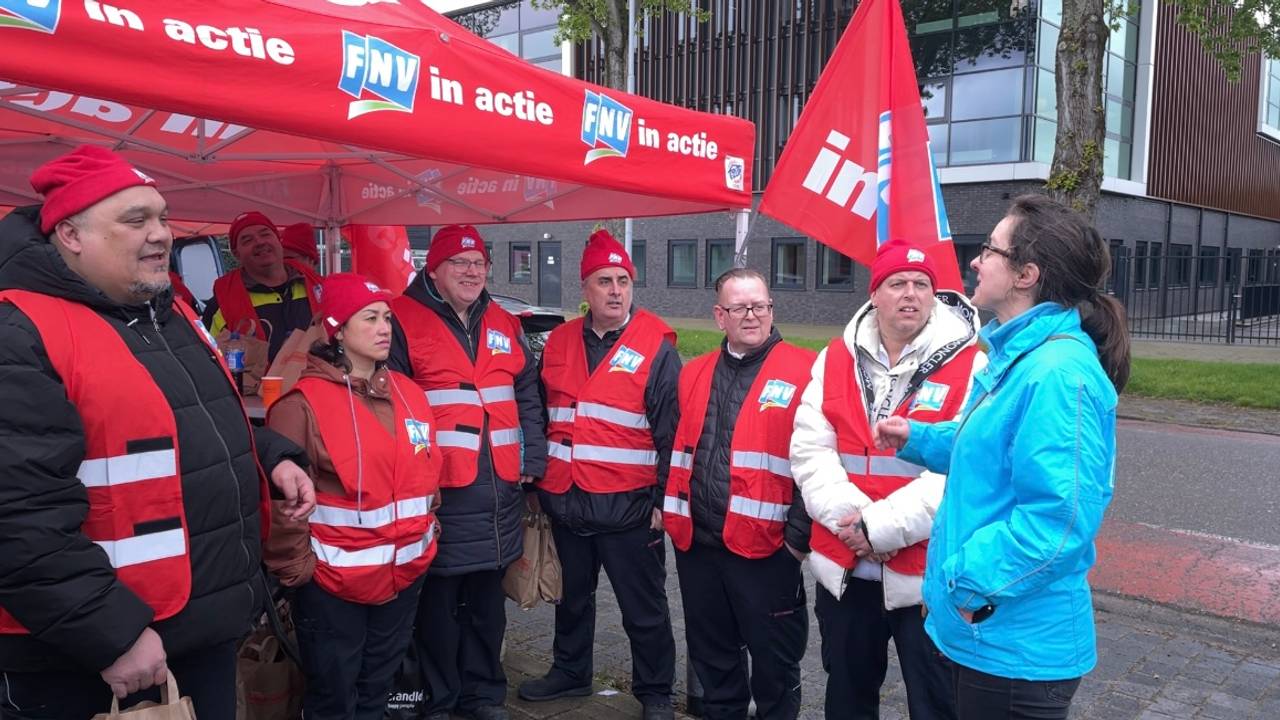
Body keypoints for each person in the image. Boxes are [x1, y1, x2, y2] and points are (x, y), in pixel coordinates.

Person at [0, 145, 315, 719]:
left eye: (164, 217)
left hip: (195, 631)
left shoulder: (169, 314)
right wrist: (111, 632)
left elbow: (187, 425)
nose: (162, 234)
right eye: (135, 219)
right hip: (98, 655)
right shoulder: (18, 329)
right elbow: (16, 515)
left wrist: (268, 455)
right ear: (70, 234)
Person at [874, 195, 1128, 720]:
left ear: (1025, 275)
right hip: (990, 632)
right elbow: (990, 449)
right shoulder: (1019, 357)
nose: (975, 259)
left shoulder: (1057, 374)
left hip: (1016, 650)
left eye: (990, 249)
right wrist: (918, 438)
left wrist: (961, 580)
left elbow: (1056, 525)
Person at [790, 240, 982, 720]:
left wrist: (878, 529)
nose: (911, 294)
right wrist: (853, 527)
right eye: (897, 283)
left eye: (922, 285)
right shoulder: (833, 358)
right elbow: (810, 451)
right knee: (848, 697)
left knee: (937, 702)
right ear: (875, 294)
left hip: (926, 575)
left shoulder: (972, 366)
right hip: (846, 567)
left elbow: (962, 469)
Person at [519, 229, 680, 720]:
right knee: (572, 599)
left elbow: (672, 431)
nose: (616, 290)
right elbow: (545, 415)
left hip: (629, 506)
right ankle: (571, 672)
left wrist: (663, 503)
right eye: (604, 281)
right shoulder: (561, 340)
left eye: (624, 281)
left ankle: (655, 692)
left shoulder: (657, 344)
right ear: (584, 288)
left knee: (643, 608)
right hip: (567, 499)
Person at [265, 272, 441, 720]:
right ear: (337, 330)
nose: (385, 327)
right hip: (332, 588)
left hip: (403, 578)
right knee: (333, 699)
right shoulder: (300, 405)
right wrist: (296, 571)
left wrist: (427, 533)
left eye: (387, 317)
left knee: (377, 692)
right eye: (370, 318)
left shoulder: (412, 395)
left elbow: (427, 478)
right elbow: (282, 505)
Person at [388, 225, 546, 720]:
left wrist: (533, 458)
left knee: (485, 602)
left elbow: (527, 395)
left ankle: (484, 693)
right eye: (459, 263)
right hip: (440, 488)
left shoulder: (503, 320)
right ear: (432, 269)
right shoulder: (399, 319)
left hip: (499, 486)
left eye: (479, 262)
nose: (472, 271)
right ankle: (442, 697)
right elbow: (392, 403)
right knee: (437, 601)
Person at [662, 268, 813, 720]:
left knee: (775, 665)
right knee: (714, 662)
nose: (752, 315)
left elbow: (819, 463)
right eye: (739, 307)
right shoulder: (692, 373)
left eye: (760, 305)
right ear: (719, 316)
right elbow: (679, 449)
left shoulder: (805, 369)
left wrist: (796, 542)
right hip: (699, 547)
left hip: (768, 552)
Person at [203, 210, 322, 362]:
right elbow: (209, 361)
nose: (259, 242)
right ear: (236, 254)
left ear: (278, 240)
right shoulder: (220, 306)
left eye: (265, 234)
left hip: (319, 383)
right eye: (247, 240)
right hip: (259, 386)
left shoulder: (317, 287)